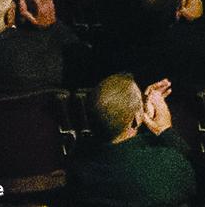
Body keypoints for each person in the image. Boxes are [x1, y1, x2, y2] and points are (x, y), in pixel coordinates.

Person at [67, 72, 189, 207]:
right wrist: (165, 130)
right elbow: (198, 178)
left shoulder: (77, 163)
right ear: (137, 118)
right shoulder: (165, 165)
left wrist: (139, 114)